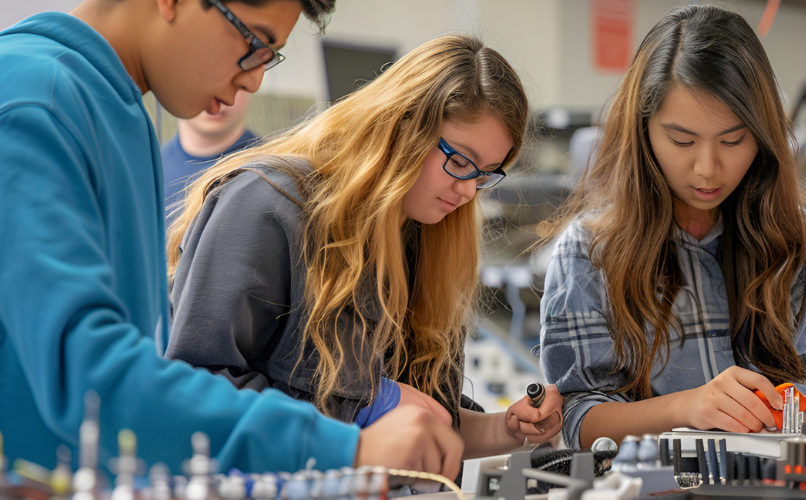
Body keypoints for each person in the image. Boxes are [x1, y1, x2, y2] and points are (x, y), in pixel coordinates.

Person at [0, 0, 466, 477]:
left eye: (270, 55)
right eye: (254, 42)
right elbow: (89, 377)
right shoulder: (36, 101)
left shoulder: (116, 109)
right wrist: (343, 447)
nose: (253, 80)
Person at [165, 33, 564, 460]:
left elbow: (426, 423)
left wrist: (507, 429)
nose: (468, 191)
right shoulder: (267, 206)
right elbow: (194, 391)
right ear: (400, 126)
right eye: (460, 161)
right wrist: (365, 408)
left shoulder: (423, 233)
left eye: (485, 174)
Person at [538, 5, 806, 449]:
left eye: (733, 140)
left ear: (763, 136)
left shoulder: (801, 244)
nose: (707, 168)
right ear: (643, 131)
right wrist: (687, 408)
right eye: (682, 141)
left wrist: (791, 407)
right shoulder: (589, 253)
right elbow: (576, 418)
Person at [163, 89, 257, 211]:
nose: (215, 97)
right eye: (198, 79)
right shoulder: (148, 171)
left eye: (231, 78)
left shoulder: (271, 174)